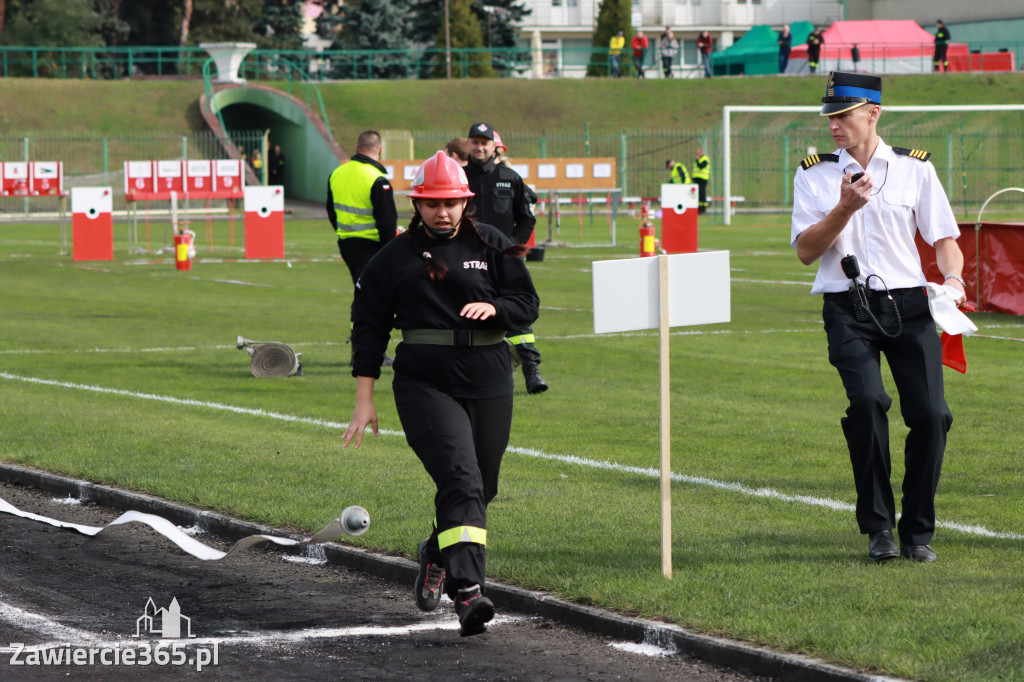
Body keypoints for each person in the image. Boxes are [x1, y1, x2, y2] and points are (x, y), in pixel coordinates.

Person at [343, 151, 540, 637]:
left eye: (451, 203)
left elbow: (526, 303)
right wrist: (364, 399)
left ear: (464, 200)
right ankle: (468, 592)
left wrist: (495, 308)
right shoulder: (393, 257)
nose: (443, 213)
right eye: (432, 204)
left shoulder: (492, 242)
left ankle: (435, 553)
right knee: (461, 476)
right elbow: (367, 329)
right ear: (418, 204)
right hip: (424, 384)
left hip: (490, 377)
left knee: (481, 487)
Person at [791, 72, 967, 564]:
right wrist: (844, 208)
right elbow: (806, 251)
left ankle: (918, 532)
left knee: (933, 416)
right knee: (867, 403)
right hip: (848, 307)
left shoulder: (915, 170)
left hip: (909, 306)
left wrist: (953, 280)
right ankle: (879, 530)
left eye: (842, 115)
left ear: (873, 113)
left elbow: (945, 241)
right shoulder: (814, 174)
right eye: (829, 116)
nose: (833, 125)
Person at [464, 122, 548, 394]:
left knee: (517, 315)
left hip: (505, 260)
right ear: (468, 145)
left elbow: (527, 218)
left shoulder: (510, 177)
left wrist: (511, 248)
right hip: (466, 259)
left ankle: (531, 371)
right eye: (475, 142)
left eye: (484, 142)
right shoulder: (458, 177)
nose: (480, 147)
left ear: (494, 146)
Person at [326, 130, 398, 365]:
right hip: (373, 248)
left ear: (357, 149)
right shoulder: (376, 178)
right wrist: (391, 253)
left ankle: (363, 350)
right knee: (370, 299)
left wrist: (344, 233)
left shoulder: (337, 173)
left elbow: (331, 210)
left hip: (347, 244)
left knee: (365, 296)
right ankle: (364, 352)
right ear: (379, 150)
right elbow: (387, 222)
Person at [692, 147, 710, 214]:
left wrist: (697, 160)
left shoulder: (705, 158)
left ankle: (703, 209)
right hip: (697, 179)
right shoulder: (699, 159)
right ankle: (699, 208)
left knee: (702, 194)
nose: (697, 153)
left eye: (698, 151)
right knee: (698, 194)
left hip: (702, 179)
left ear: (701, 152)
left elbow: (701, 166)